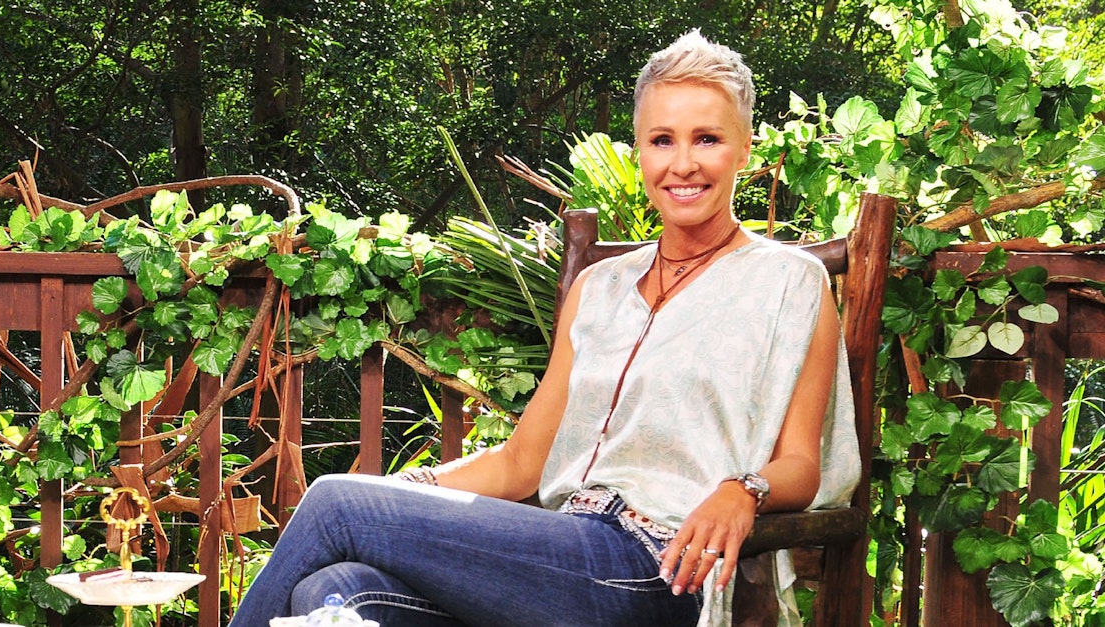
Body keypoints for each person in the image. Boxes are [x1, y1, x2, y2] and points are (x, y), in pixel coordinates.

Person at [227, 31, 859, 627]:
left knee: (335, 503)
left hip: (660, 565)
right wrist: (403, 494)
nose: (683, 163)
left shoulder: (789, 282)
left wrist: (743, 490)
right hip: (557, 558)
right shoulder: (599, 288)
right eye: (663, 140)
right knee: (335, 589)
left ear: (743, 149)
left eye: (708, 139)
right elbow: (521, 463)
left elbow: (804, 464)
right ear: (641, 151)